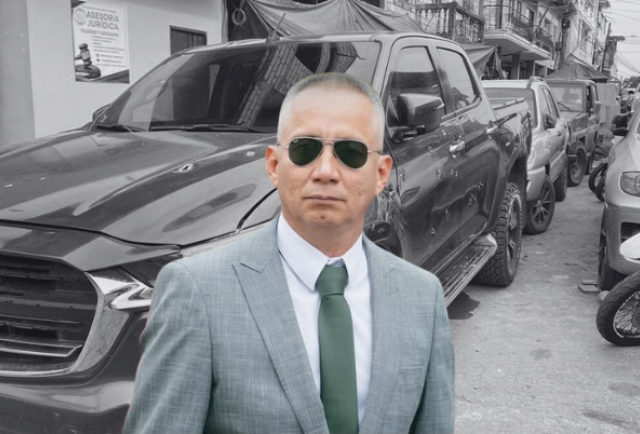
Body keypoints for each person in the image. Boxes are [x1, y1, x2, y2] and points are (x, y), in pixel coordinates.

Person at [122, 72, 455, 434]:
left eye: (351, 152)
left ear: (381, 174)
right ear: (274, 165)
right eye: (304, 149)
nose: (325, 171)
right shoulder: (197, 291)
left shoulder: (422, 297)